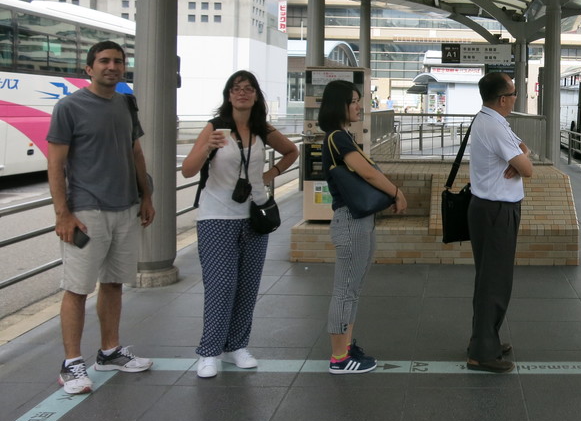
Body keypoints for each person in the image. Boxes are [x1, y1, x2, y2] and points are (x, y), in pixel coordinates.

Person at [47, 40, 156, 395]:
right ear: (89, 68)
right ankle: (71, 364)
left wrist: (146, 195)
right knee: (77, 289)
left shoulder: (126, 104)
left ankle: (109, 352)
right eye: (104, 61)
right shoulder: (69, 107)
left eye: (118, 61)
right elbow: (56, 163)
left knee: (113, 284)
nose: (112, 66)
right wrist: (63, 213)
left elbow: (135, 150)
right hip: (86, 212)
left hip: (125, 208)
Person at [181, 71, 298, 378]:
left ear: (256, 95)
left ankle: (236, 346)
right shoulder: (215, 127)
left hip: (255, 215)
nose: (242, 93)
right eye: (237, 89)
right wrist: (208, 147)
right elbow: (188, 170)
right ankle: (209, 352)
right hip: (216, 217)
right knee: (221, 286)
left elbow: (292, 151)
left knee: (247, 286)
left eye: (248, 89)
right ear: (228, 95)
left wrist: (270, 175)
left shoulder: (262, 129)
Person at [319, 80, 407, 373]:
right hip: (350, 222)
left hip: (358, 221)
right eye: (354, 101)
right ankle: (338, 358)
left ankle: (345, 347)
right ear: (339, 104)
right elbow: (368, 173)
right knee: (345, 290)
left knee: (352, 288)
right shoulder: (337, 138)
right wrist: (396, 192)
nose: (359, 106)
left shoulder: (341, 136)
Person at [466, 72, 533, 373]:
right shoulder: (493, 125)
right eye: (514, 92)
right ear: (503, 98)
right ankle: (482, 352)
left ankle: (485, 339)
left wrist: (518, 161)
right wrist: (519, 163)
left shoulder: (490, 120)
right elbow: (528, 167)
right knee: (494, 282)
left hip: (489, 209)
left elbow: (523, 152)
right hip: (496, 211)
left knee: (490, 280)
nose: (516, 97)